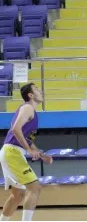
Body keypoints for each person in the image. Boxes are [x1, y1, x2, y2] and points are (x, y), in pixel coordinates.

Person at [0, 83, 53, 221]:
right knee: (35, 188)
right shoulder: (28, 108)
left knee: (18, 195)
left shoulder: (31, 113)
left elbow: (28, 140)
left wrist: (42, 155)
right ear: (30, 95)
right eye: (36, 90)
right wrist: (29, 150)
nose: (40, 91)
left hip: (11, 152)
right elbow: (16, 129)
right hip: (12, 152)